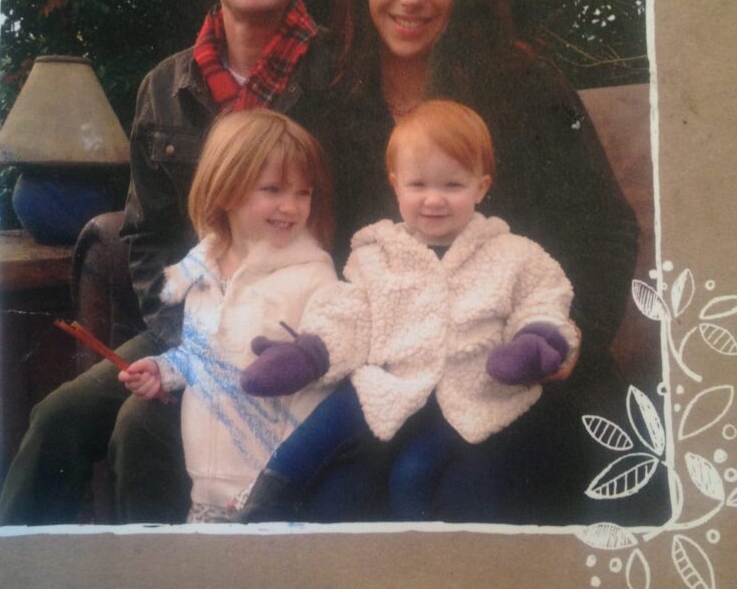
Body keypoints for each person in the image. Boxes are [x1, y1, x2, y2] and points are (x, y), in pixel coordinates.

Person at [296, 0, 642, 523]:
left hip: (509, 375)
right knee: (326, 501)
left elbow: (606, 229)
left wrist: (563, 342)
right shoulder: (332, 93)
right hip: (385, 376)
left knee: (460, 505)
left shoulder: (523, 84)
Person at [0, 0, 333, 526]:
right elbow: (148, 237)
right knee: (57, 417)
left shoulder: (340, 78)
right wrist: (194, 348)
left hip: (296, 323)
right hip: (194, 323)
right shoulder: (164, 88)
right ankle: (15, 562)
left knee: (138, 425)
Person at [236, 100, 580, 522]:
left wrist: (536, 339)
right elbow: (349, 314)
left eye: (452, 185)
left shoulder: (514, 254)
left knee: (412, 474)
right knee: (320, 431)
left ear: (481, 187)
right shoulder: (378, 254)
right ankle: (262, 504)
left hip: (469, 390)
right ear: (396, 186)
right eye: (418, 185)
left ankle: (411, 550)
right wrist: (311, 352)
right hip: (391, 384)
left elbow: (544, 297)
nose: (433, 200)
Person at [119, 110, 338, 523]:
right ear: (224, 190)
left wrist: (279, 481)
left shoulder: (314, 279)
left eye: (303, 192)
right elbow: (202, 353)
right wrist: (163, 370)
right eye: (272, 189)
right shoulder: (201, 270)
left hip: (273, 495)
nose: (291, 207)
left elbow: (319, 391)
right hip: (205, 493)